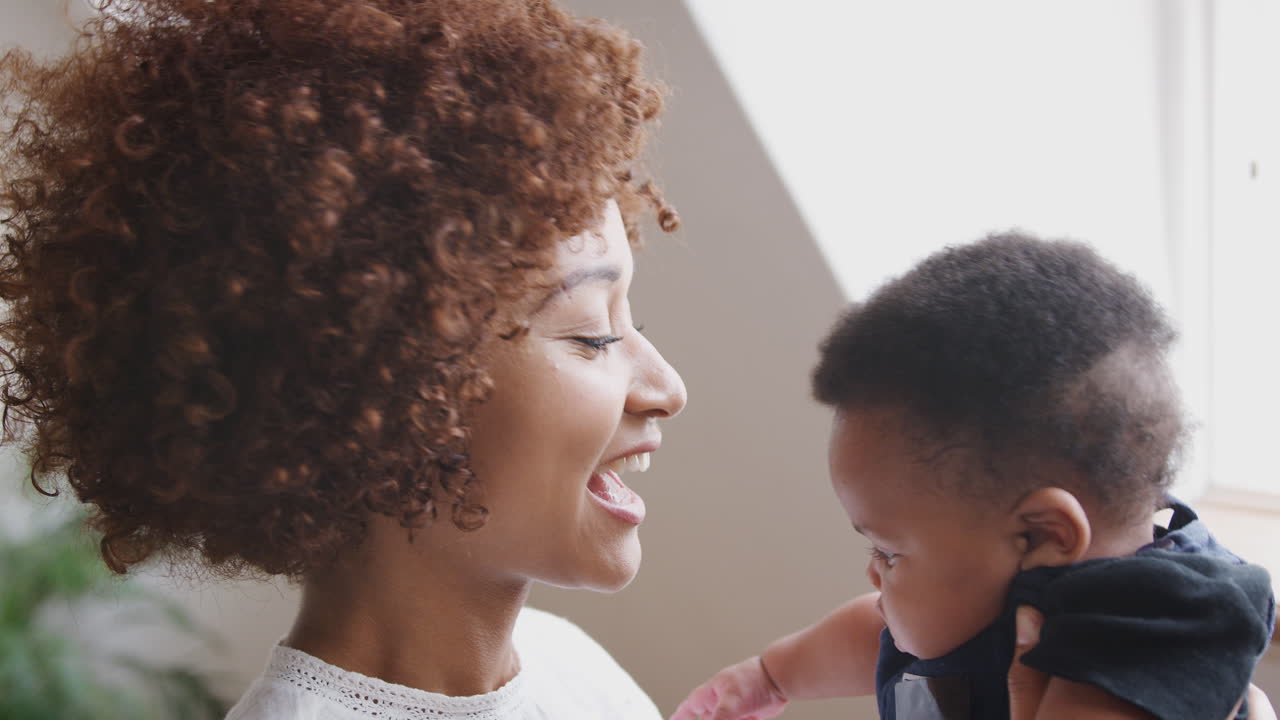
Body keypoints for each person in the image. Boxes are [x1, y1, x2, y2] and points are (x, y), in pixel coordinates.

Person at [0, 0, 687, 718]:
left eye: (626, 319)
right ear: (391, 395)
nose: (668, 387)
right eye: (592, 335)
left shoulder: (571, 668)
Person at [671, 234, 1275, 720]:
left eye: (890, 552)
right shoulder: (995, 598)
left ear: (1040, 537)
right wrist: (769, 677)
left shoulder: (1160, 631)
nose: (874, 575)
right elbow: (875, 631)